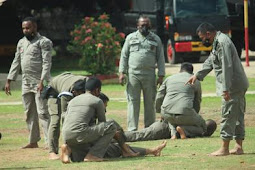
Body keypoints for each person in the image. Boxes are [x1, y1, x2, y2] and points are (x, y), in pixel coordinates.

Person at [186, 23, 249, 156]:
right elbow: (211, 60)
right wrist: (197, 75)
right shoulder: (217, 42)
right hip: (236, 84)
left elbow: (227, 66)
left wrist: (225, 89)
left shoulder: (222, 42)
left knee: (228, 114)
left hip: (232, 86)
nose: (203, 40)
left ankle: (224, 148)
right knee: (237, 116)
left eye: (203, 37)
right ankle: (238, 147)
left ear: (208, 33)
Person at [61, 91, 167, 163]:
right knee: (115, 145)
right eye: (104, 107)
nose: (105, 111)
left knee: (115, 143)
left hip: (75, 150)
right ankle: (149, 151)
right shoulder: (93, 112)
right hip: (86, 147)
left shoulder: (76, 111)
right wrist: (121, 142)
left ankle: (68, 150)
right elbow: (106, 127)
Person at [5, 16, 53, 149]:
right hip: (26, 83)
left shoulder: (44, 42)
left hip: (40, 83)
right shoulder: (21, 42)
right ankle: (33, 141)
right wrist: (9, 79)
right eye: (23, 28)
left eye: (28, 27)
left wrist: (42, 80)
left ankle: (50, 142)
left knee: (43, 112)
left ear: (35, 27)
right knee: (29, 112)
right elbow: (16, 61)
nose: (25, 30)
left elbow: (47, 63)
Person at [119, 15, 165, 131]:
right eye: (142, 24)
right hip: (133, 74)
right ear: (137, 26)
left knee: (150, 102)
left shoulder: (156, 39)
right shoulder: (130, 38)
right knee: (133, 102)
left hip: (149, 75)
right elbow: (124, 56)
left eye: (146, 24)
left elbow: (160, 58)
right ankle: (132, 128)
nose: (144, 26)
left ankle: (149, 128)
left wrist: (161, 75)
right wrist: (122, 73)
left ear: (150, 25)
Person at [156, 62, 206, 140]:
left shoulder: (169, 78)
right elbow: (197, 101)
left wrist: (160, 112)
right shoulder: (194, 80)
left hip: (166, 112)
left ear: (180, 70)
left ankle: (173, 134)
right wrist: (193, 114)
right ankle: (184, 130)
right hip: (184, 112)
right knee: (203, 126)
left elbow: (159, 96)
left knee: (171, 119)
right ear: (192, 72)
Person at [46, 72, 87, 160]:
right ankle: (52, 151)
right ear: (74, 92)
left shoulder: (90, 85)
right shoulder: (66, 93)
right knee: (55, 120)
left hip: (66, 81)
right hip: (54, 91)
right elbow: (65, 116)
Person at [124, 119, 217, 142]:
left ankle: (117, 136)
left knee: (140, 134)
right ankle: (117, 136)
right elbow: (180, 128)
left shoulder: (194, 121)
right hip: (163, 129)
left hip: (162, 127)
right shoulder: (198, 130)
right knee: (139, 135)